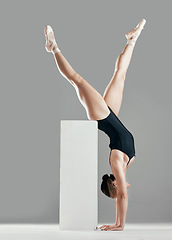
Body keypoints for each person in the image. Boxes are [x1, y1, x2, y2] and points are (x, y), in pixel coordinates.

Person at [44, 19, 146, 231]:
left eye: (117, 192)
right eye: (118, 194)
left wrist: (120, 225)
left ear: (115, 184)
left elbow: (123, 197)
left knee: (77, 80)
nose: (123, 192)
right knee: (120, 74)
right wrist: (118, 224)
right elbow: (122, 194)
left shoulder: (117, 164)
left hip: (102, 116)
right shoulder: (126, 165)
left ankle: (53, 48)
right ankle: (132, 40)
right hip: (112, 116)